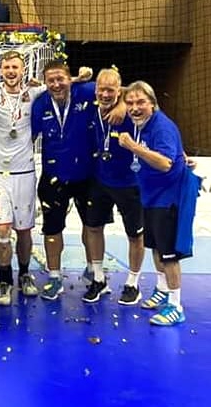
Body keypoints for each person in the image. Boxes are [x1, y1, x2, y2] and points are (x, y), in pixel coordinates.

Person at [118, 81, 194, 326]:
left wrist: (132, 146)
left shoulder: (161, 126)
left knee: (169, 254)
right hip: (150, 195)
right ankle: (162, 289)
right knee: (156, 247)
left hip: (167, 198)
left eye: (141, 102)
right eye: (130, 103)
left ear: (153, 103)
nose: (134, 108)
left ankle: (176, 305)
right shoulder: (141, 123)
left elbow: (165, 163)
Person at [0, 51, 47, 303]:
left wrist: (80, 77)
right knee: (2, 228)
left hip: (25, 172)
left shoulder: (34, 92)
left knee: (24, 231)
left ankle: (24, 274)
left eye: (15, 67)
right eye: (6, 67)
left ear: (23, 69)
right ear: (0, 70)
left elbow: (60, 84)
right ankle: (5, 280)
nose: (10, 71)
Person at [31, 60, 96, 301]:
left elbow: (120, 90)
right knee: (52, 229)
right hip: (53, 176)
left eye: (61, 79)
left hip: (87, 175)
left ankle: (94, 271)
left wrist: (120, 107)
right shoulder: (40, 103)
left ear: (71, 78)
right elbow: (28, 137)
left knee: (92, 226)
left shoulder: (87, 91)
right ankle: (55, 276)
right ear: (45, 83)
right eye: (51, 80)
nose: (56, 84)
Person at [84, 68, 144, 304]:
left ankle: (133, 283)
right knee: (93, 227)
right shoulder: (91, 106)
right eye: (102, 89)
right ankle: (99, 279)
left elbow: (147, 96)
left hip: (130, 182)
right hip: (99, 180)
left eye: (111, 90)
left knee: (135, 235)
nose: (105, 94)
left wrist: (122, 105)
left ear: (119, 90)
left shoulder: (131, 109)